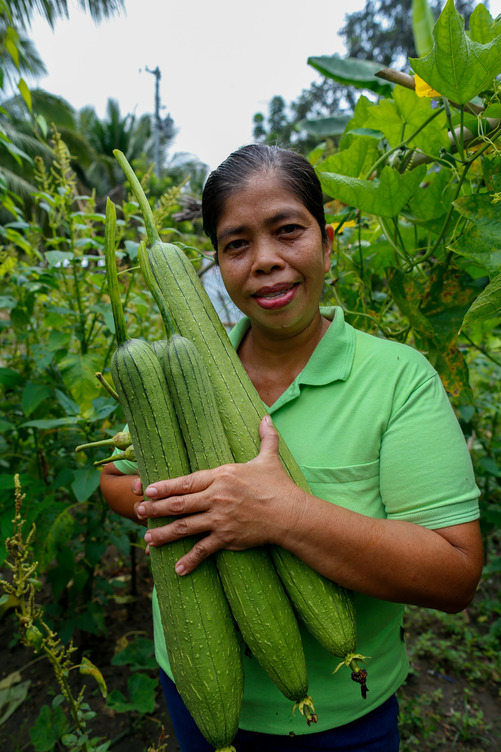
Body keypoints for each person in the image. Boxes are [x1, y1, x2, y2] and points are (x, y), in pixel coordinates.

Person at [100, 144, 483, 752]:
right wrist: (184, 501)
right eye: (236, 244)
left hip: (342, 724)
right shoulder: (182, 365)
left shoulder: (398, 379)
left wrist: (279, 514)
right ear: (215, 267)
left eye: (287, 231)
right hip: (197, 689)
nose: (266, 261)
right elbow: (115, 480)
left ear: (327, 242)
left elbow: (456, 575)